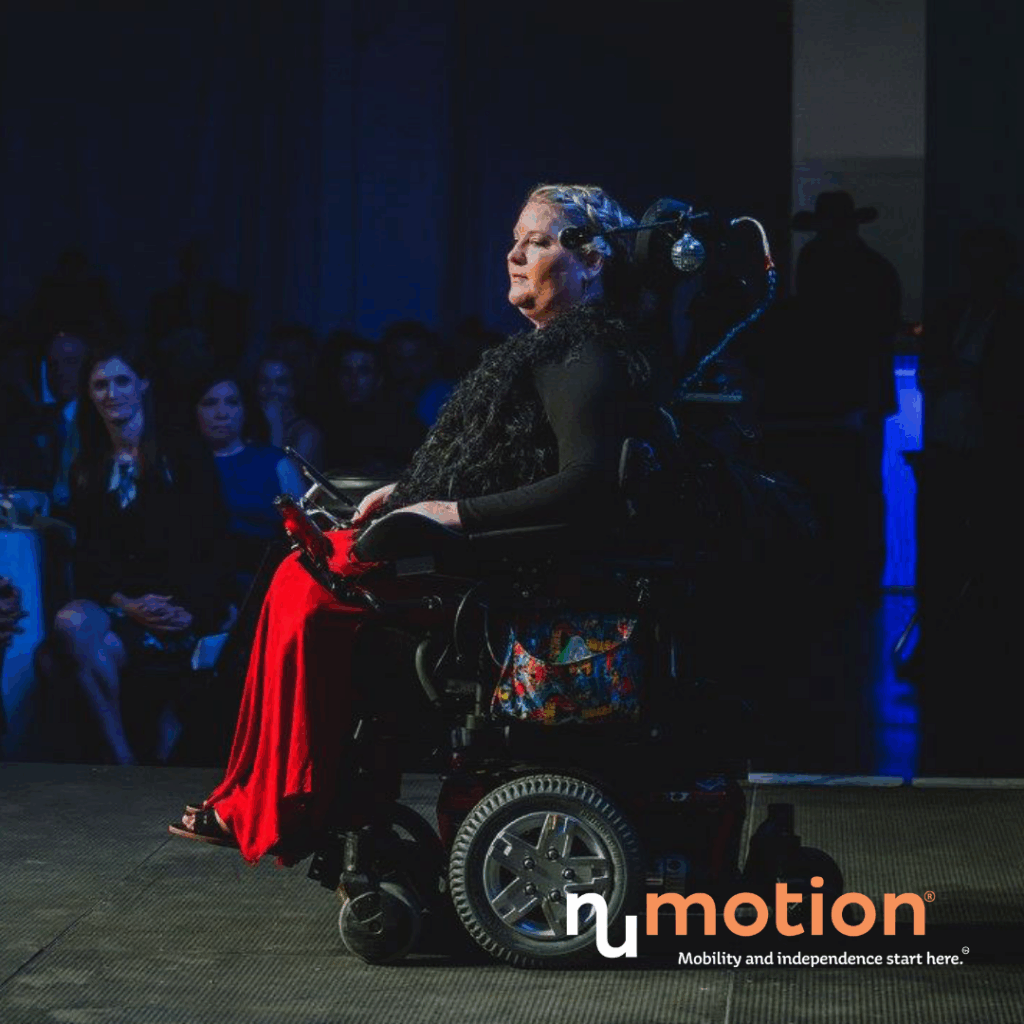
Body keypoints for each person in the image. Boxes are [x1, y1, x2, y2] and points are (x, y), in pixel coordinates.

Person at [169, 183, 661, 861]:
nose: (515, 254)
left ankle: (283, 804)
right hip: (475, 549)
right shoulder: (554, 350)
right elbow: (513, 459)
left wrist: (446, 511)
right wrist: (410, 491)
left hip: (507, 568)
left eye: (538, 242)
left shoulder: (585, 358)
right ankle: (257, 797)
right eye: (515, 239)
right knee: (298, 570)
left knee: (308, 588)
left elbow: (584, 486)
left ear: (593, 261)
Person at [45, 344, 233, 764]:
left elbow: (212, 542)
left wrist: (192, 609)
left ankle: (152, 757)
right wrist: (127, 603)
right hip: (124, 606)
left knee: (105, 655)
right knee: (72, 623)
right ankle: (124, 760)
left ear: (142, 384)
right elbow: (89, 558)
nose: (112, 394)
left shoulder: (182, 454)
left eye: (121, 381)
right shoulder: (90, 466)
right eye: (100, 385)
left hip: (181, 604)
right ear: (89, 395)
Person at [192, 370, 304, 596]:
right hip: (202, 582)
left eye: (232, 402)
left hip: (268, 579)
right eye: (210, 403)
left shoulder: (276, 463)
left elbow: (304, 533)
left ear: (245, 409)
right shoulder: (182, 465)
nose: (221, 413)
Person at [255, 344, 326, 468]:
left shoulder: (308, 434)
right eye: (264, 381)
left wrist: (275, 427)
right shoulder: (250, 426)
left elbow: (283, 481)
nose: (272, 389)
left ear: (293, 387)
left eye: (280, 382)